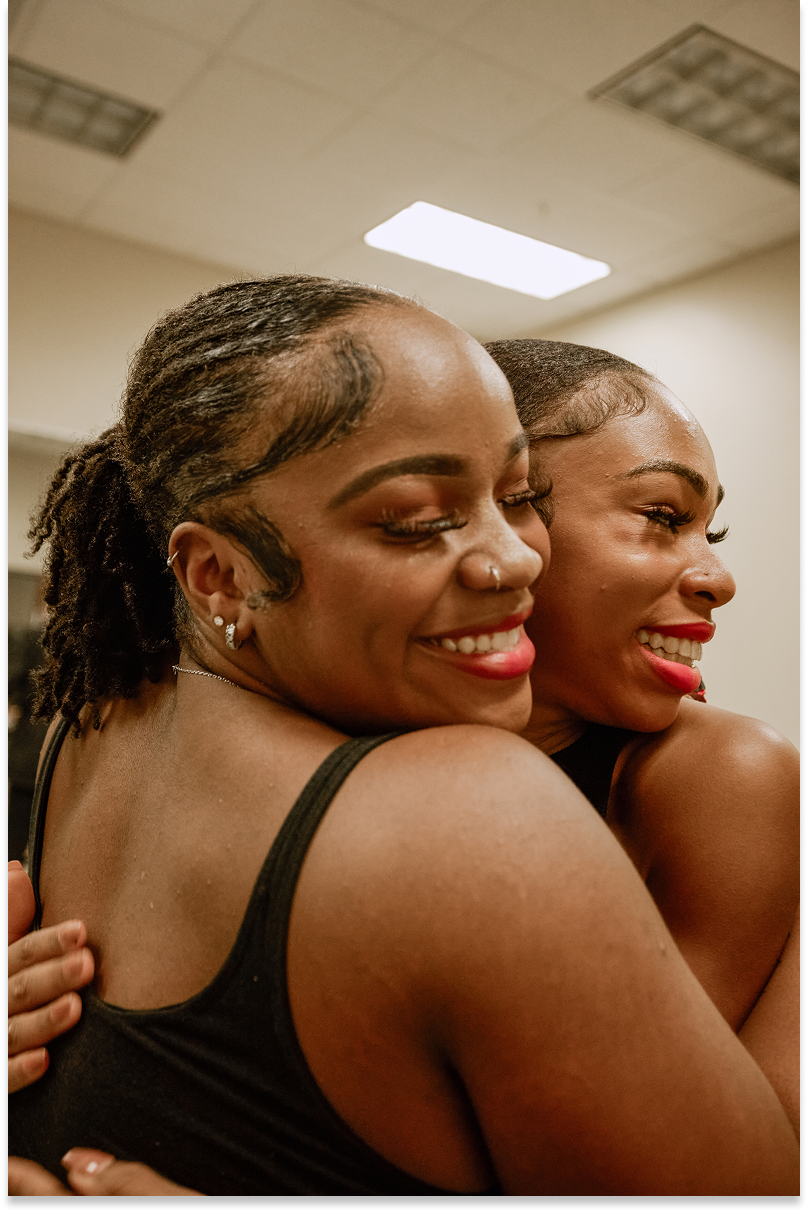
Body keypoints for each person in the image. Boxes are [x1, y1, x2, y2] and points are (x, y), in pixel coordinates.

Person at [6, 280, 798, 1200]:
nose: (517, 557)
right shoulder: (467, 804)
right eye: (419, 520)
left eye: (516, 498)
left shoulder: (96, 720)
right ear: (218, 574)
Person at [485, 339, 799, 1126]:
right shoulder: (351, 755)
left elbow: (623, 1129)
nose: (718, 580)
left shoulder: (725, 771)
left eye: (709, 533)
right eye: (662, 517)